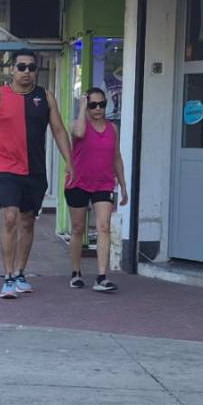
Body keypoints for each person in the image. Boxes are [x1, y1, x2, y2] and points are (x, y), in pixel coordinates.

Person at [0, 49, 73, 299]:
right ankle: (7, 276)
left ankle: (20, 272)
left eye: (31, 67)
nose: (27, 72)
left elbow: (59, 131)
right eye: (22, 67)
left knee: (28, 221)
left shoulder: (45, 97)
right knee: (9, 218)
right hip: (7, 168)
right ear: (12, 69)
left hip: (36, 170)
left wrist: (70, 164)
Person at [66, 88, 129, 293]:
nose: (98, 109)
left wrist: (123, 184)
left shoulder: (113, 128)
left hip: (104, 183)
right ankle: (76, 273)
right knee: (77, 228)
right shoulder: (76, 124)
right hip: (78, 183)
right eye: (93, 105)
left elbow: (116, 157)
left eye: (102, 104)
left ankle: (102, 276)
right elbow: (80, 133)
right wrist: (83, 107)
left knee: (104, 227)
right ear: (86, 105)